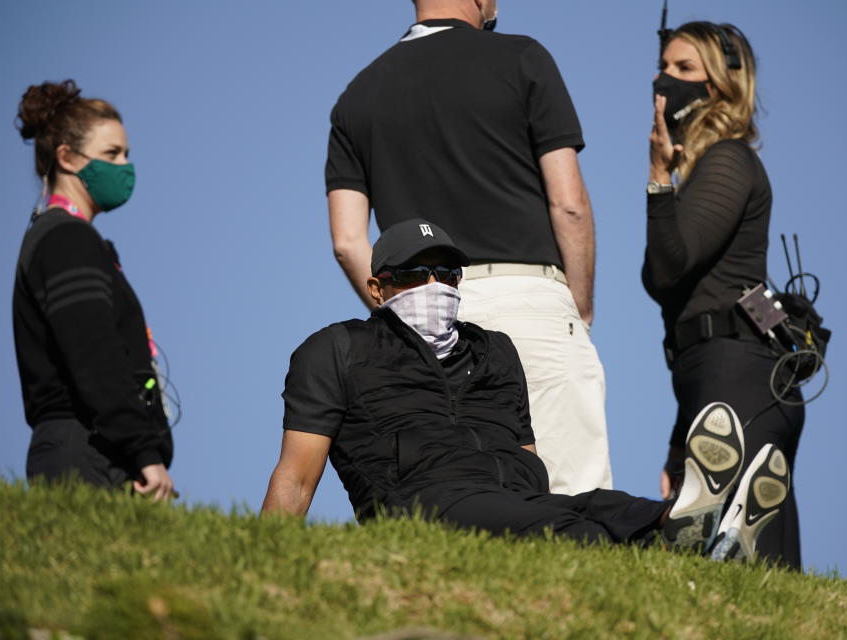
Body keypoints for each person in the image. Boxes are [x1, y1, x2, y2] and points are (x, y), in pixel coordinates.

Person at [263, 219, 789, 560]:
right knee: (573, 532)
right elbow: (295, 479)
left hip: (514, 500)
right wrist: (269, 563)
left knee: (603, 506)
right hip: (421, 507)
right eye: (416, 274)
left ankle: (694, 530)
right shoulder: (337, 349)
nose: (435, 286)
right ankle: (700, 543)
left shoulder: (493, 349)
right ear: (378, 288)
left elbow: (526, 458)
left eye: (447, 273)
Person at [326, 0, 611, 494]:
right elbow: (569, 206)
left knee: (466, 496)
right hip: (530, 297)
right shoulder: (523, 58)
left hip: (420, 310)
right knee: (575, 498)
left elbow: (349, 242)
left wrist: (401, 316)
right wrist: (579, 304)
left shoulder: (357, 96)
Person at [643, 22, 804, 567]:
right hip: (712, 377)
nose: (666, 79)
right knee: (717, 552)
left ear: (721, 85)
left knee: (754, 556)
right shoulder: (712, 167)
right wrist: (675, 441)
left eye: (685, 69)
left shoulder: (729, 160)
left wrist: (658, 178)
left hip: (739, 376)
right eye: (664, 67)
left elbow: (668, 266)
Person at [12, 80, 174, 500]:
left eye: (126, 154)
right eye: (111, 155)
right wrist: (144, 453)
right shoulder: (66, 240)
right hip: (86, 452)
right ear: (66, 157)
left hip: (93, 447)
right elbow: (93, 353)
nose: (124, 166)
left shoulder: (63, 237)